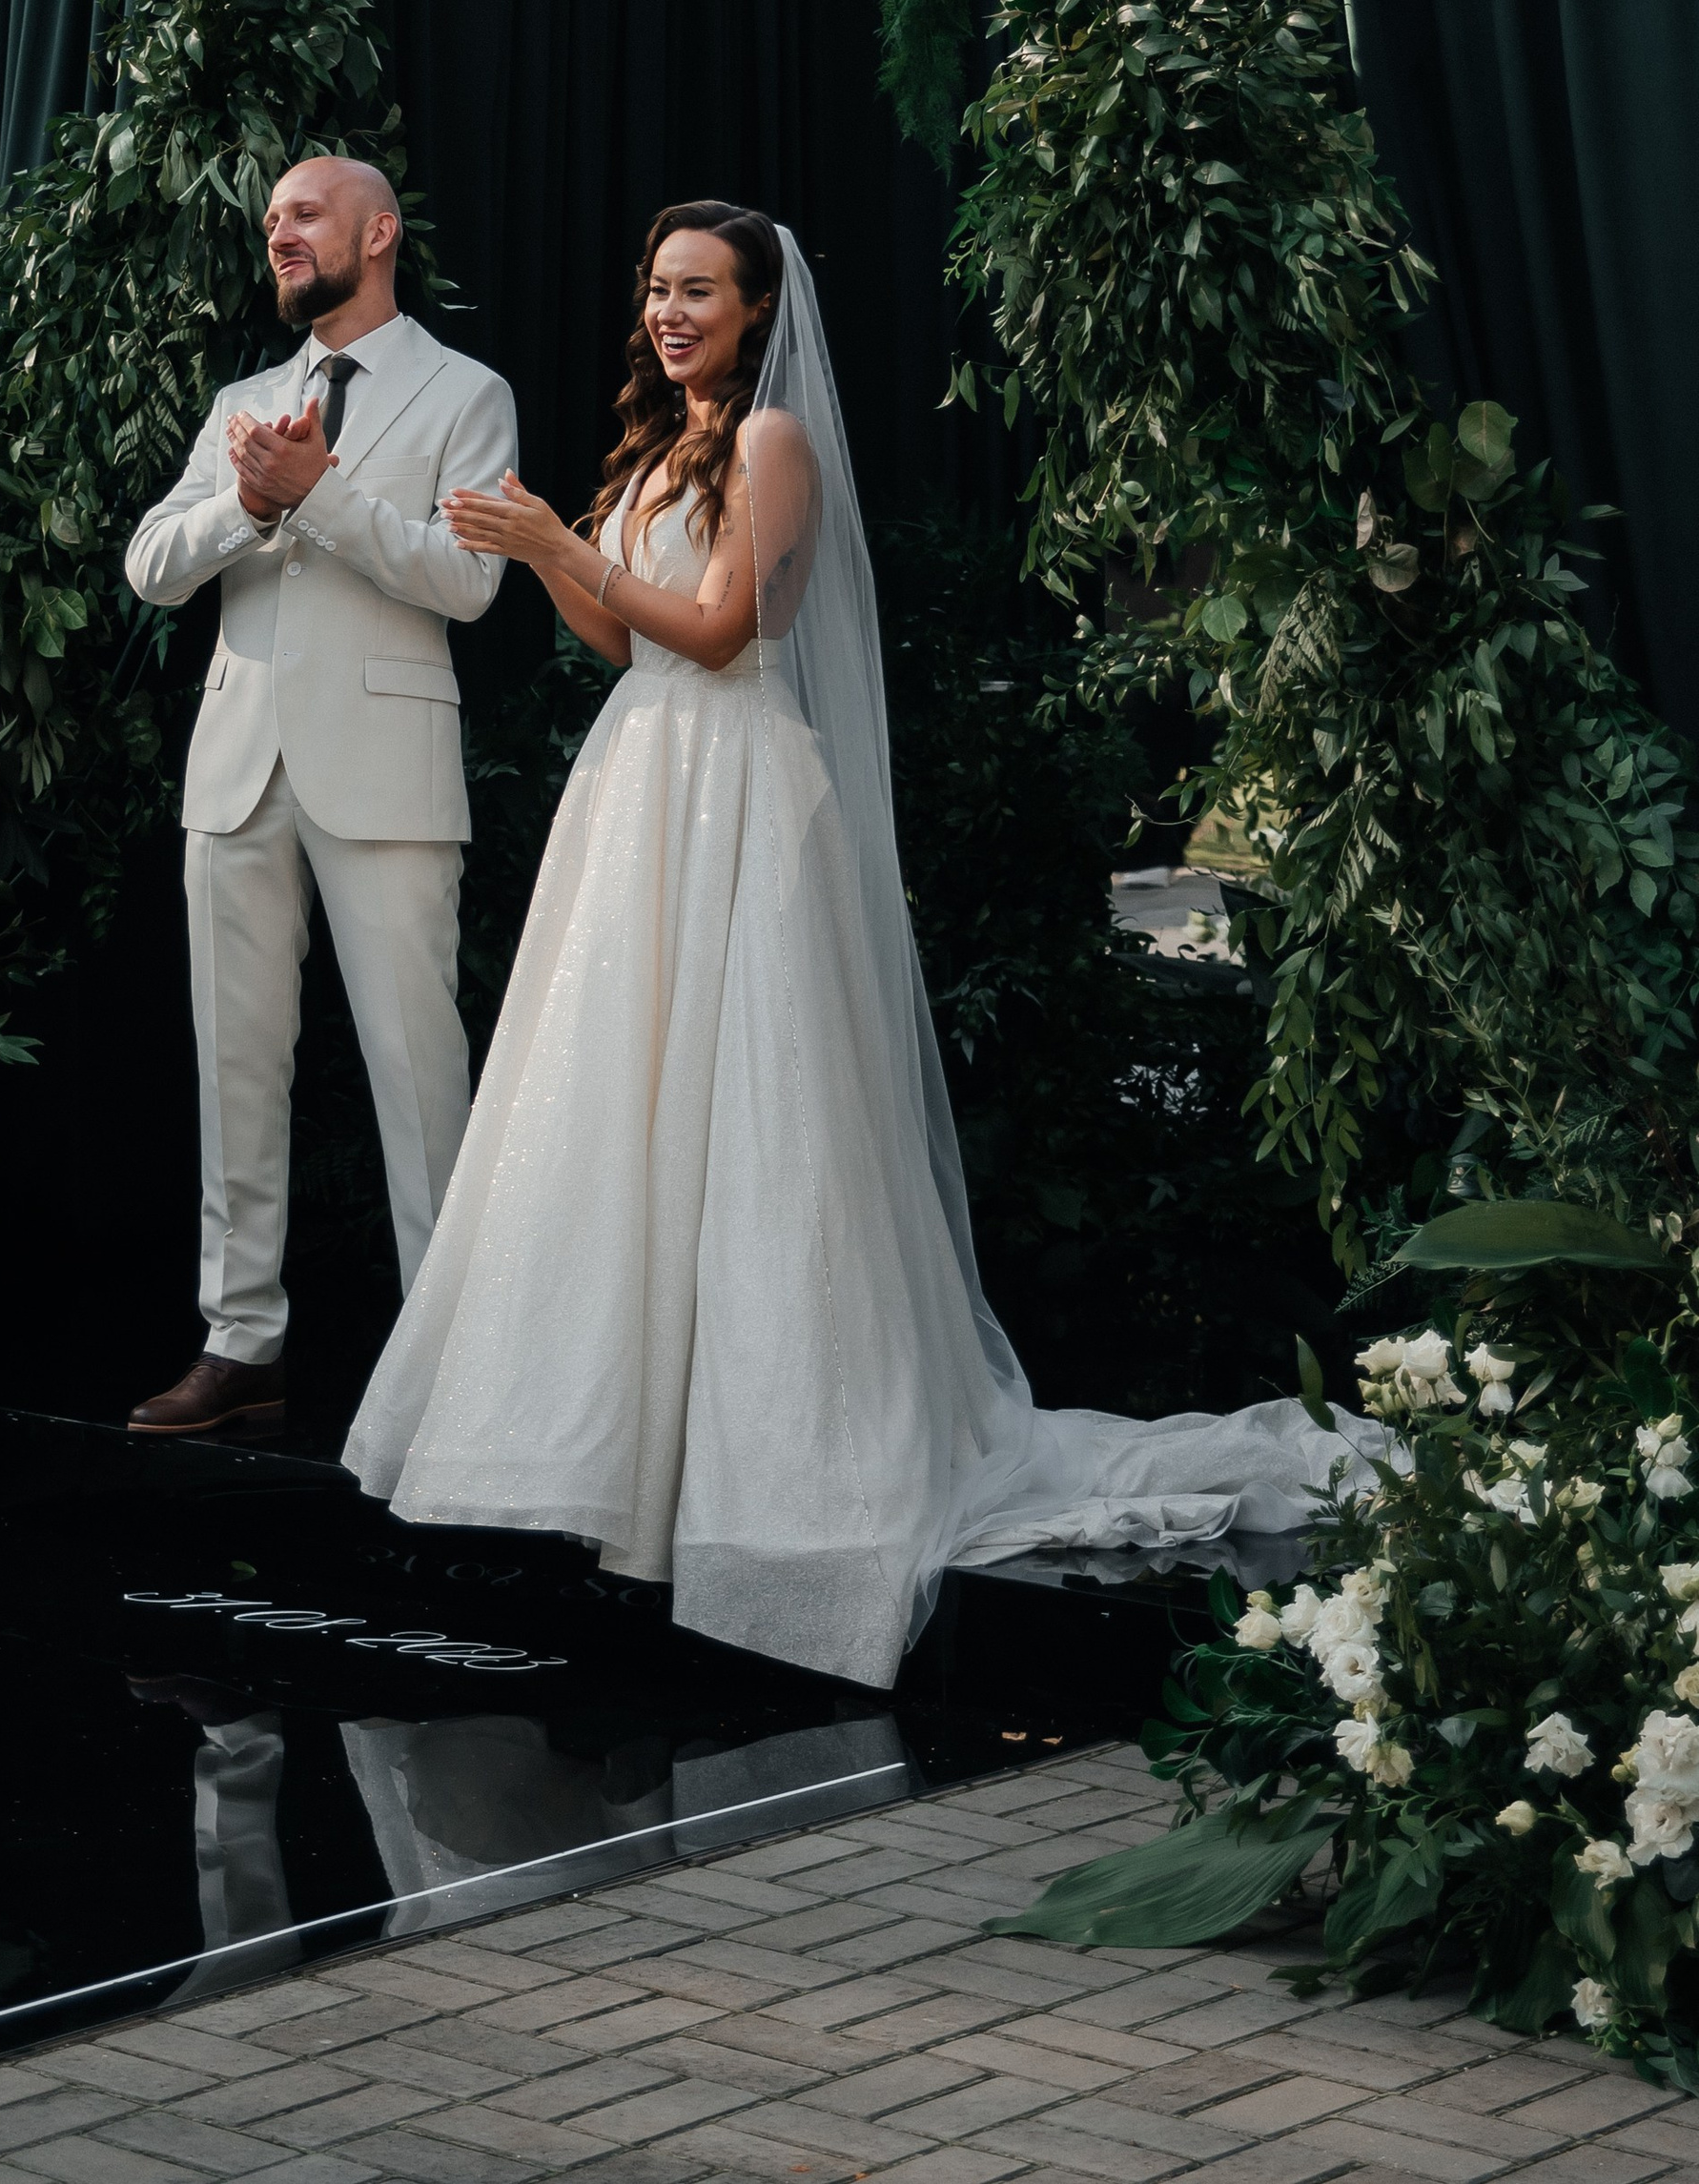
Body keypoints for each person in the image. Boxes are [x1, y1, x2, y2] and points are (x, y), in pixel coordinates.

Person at [344, 199, 1357, 1688]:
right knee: (617, 1102)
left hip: (740, 785)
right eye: (657, 286)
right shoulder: (654, 445)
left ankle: (782, 1468)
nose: (671, 310)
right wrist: (546, 557)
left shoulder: (771, 445)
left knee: (757, 1111)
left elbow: (720, 631)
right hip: (639, 786)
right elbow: (622, 644)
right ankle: (607, 1456)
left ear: (760, 310)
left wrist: (561, 539)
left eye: (700, 290)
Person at [122, 156, 519, 1438]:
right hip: (238, 774)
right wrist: (246, 499)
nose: (278, 233)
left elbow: (469, 584)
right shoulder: (243, 403)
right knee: (235, 1069)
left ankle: (454, 1359)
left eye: (302, 214)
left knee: (419, 1070)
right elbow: (150, 565)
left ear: (379, 230)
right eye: (272, 220)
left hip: (388, 777)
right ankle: (241, 1346)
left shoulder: (468, 394)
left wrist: (326, 498)